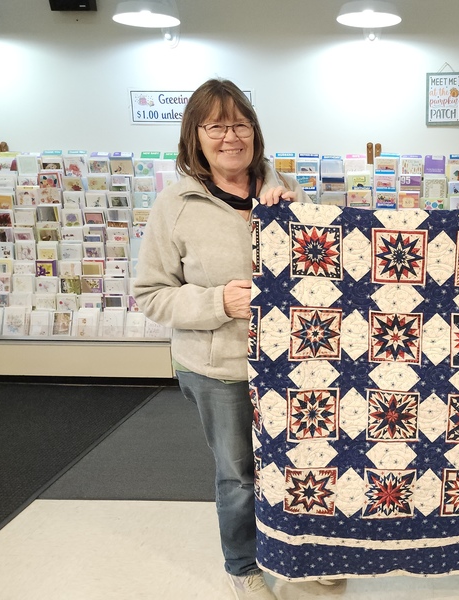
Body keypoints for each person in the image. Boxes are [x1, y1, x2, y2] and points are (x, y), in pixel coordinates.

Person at [133, 78, 304, 600]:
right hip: (218, 367)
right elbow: (150, 294)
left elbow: (328, 277)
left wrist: (294, 217)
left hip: (292, 364)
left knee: (303, 462)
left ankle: (307, 552)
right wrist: (216, 303)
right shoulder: (175, 205)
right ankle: (244, 564)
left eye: (240, 123)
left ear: (254, 130)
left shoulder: (287, 193)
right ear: (195, 136)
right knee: (238, 475)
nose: (230, 136)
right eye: (216, 126)